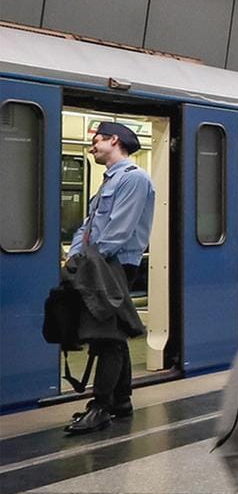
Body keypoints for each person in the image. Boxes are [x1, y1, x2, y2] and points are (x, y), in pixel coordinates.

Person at [63, 121, 155, 434]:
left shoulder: (134, 178)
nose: (92, 147)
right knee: (113, 330)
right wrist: (75, 256)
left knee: (107, 337)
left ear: (114, 140)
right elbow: (88, 226)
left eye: (97, 141)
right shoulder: (109, 181)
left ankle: (100, 407)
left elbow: (119, 230)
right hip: (98, 262)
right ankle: (121, 401)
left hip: (114, 264)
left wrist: (88, 260)